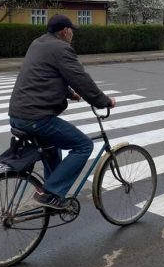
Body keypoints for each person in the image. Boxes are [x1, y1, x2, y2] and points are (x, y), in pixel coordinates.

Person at [9, 14, 116, 209]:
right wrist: (104, 101)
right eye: (72, 31)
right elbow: (81, 79)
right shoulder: (61, 48)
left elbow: (42, 75)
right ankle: (49, 193)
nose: (72, 35)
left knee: (52, 150)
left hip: (17, 115)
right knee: (83, 146)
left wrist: (69, 94)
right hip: (36, 117)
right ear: (65, 31)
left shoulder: (38, 43)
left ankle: (52, 198)